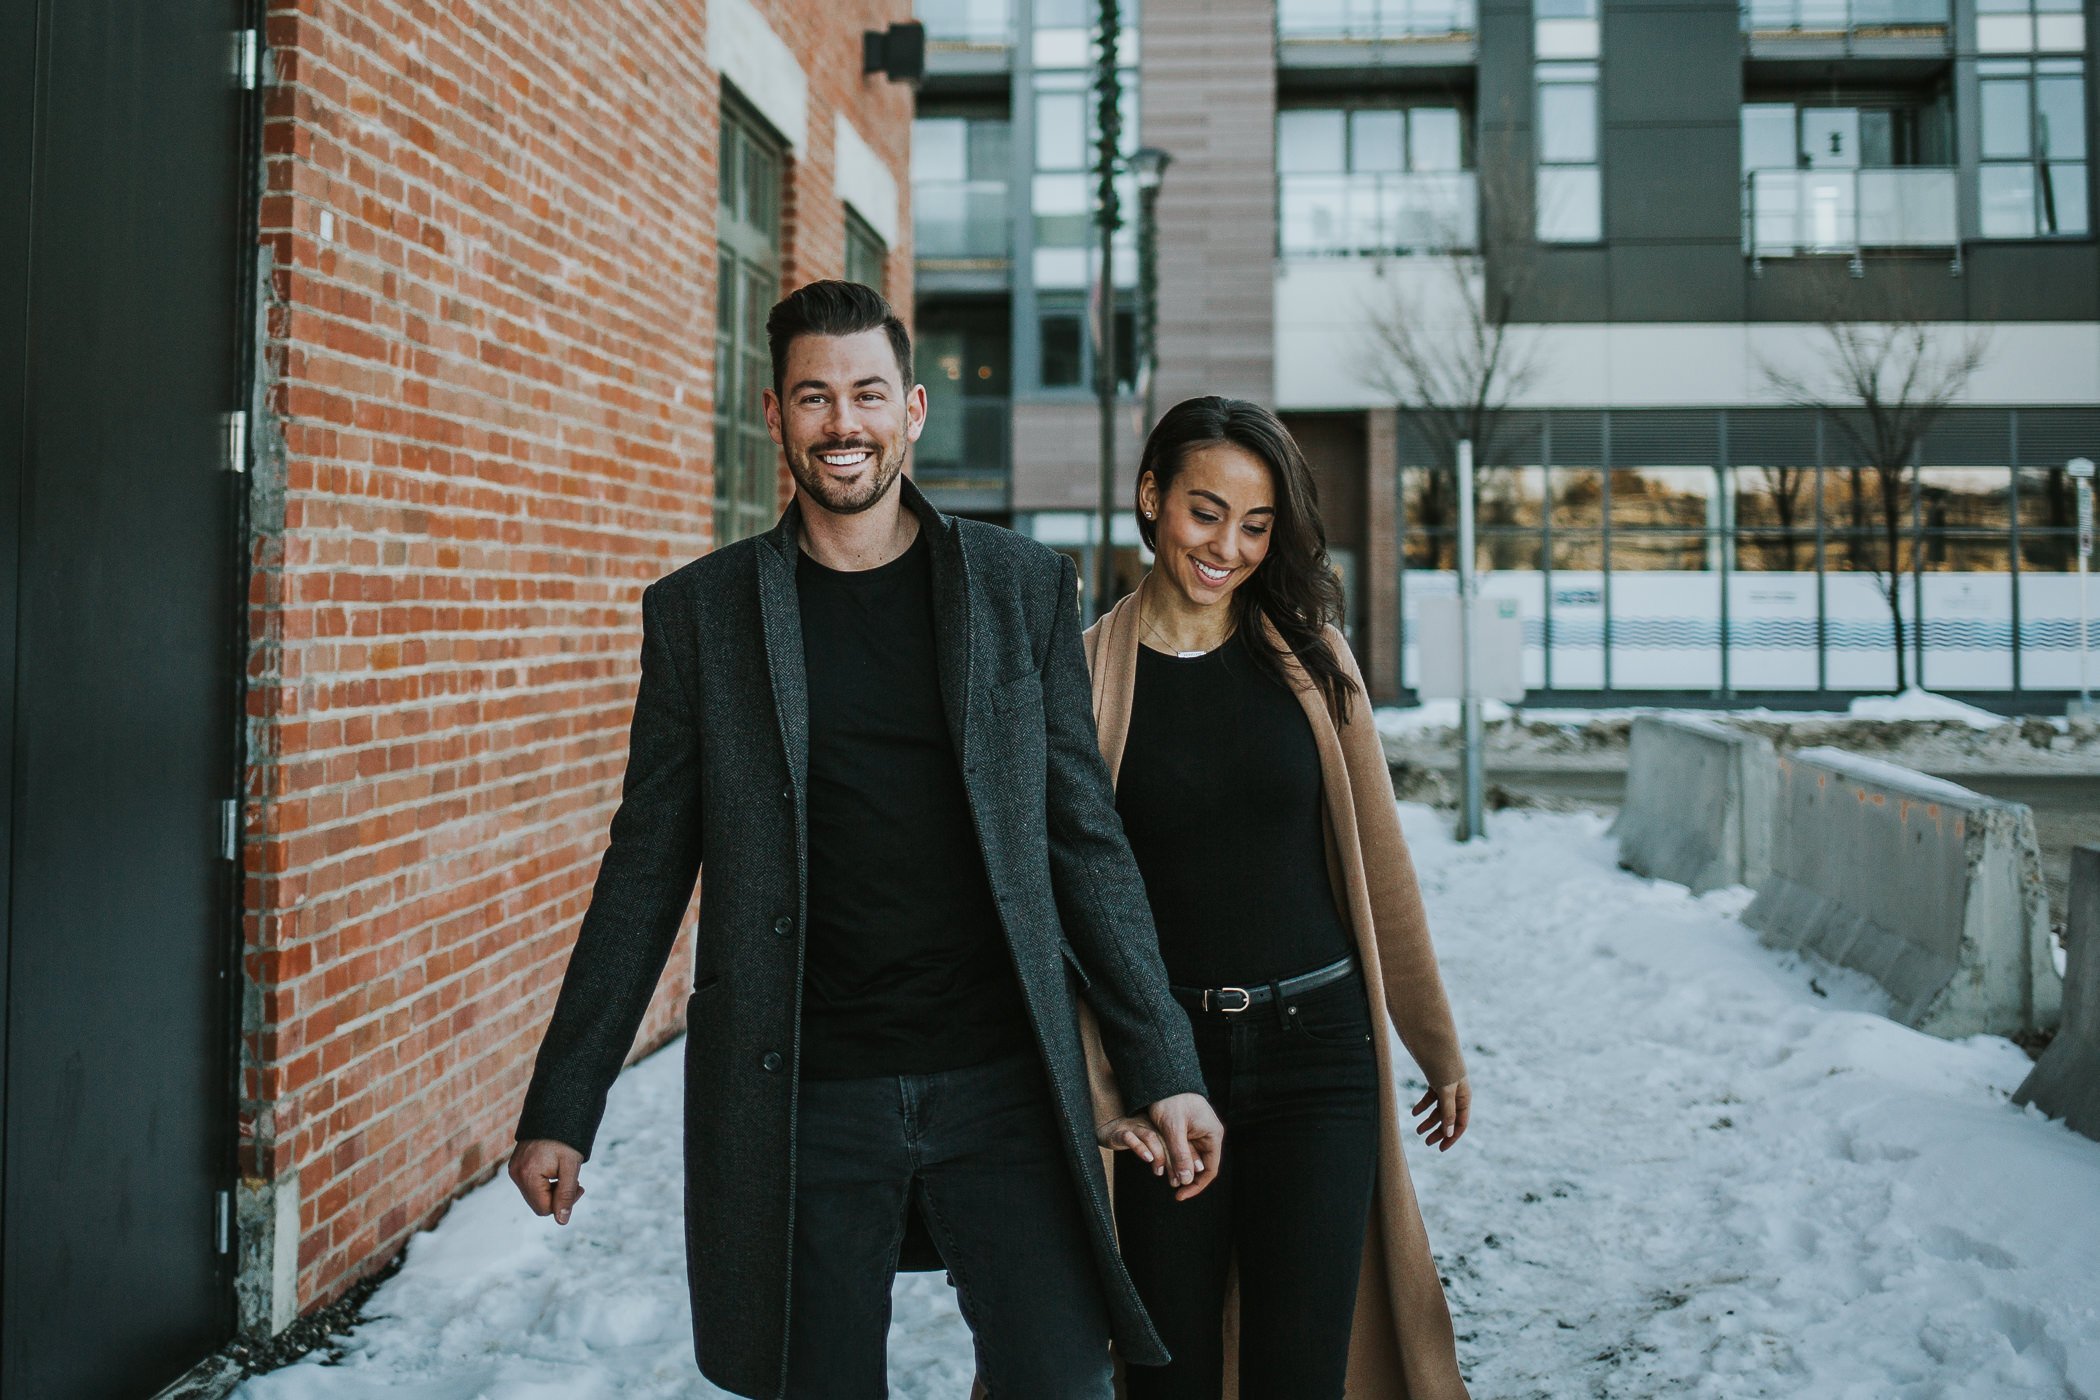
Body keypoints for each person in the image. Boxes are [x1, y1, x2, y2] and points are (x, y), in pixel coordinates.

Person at [506, 281, 1225, 1400]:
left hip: (1004, 1079)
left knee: (1059, 1378)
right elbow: (644, 866)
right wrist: (565, 1100)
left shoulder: (1018, 588)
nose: (844, 422)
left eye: (867, 393)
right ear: (774, 412)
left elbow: (1083, 840)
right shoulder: (702, 617)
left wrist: (1162, 1059)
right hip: (804, 1092)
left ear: (915, 408)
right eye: (815, 396)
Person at [1085, 396, 1474, 1399]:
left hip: (1319, 1058)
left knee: (1300, 1373)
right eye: (1206, 512)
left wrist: (1436, 1041)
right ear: (1150, 497)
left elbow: (1381, 866)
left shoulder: (1311, 657)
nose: (1230, 546)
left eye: (1257, 525)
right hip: (1167, 1067)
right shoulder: (1083, 676)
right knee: (1163, 1368)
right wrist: (1101, 1090)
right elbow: (1066, 909)